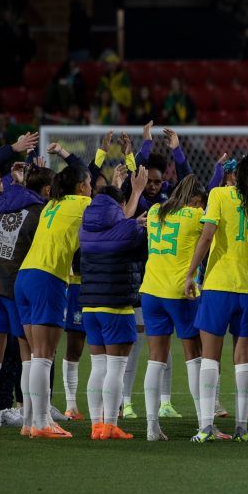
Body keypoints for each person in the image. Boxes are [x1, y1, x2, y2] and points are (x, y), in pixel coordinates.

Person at [183, 153, 248, 443]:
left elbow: (206, 236)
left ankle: (206, 426)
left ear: (235, 174)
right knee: (243, 359)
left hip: (219, 285)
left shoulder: (219, 195)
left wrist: (190, 273)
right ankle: (242, 428)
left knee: (210, 357)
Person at [15, 161, 95, 437]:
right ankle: (41, 423)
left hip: (24, 276)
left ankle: (29, 422)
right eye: (89, 183)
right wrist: (135, 193)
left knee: (32, 358)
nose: (92, 188)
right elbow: (115, 221)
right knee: (43, 357)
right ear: (80, 186)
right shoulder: (82, 204)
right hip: (47, 278)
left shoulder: (51, 204)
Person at [0, 159, 53, 435]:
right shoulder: (39, 213)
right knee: (29, 357)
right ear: (45, 191)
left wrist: (17, 181)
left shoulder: (3, 204)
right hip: (16, 288)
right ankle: (29, 422)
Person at [79, 175, 147, 440]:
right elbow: (141, 251)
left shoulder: (86, 228)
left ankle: (96, 426)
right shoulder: (128, 228)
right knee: (116, 368)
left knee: (98, 367)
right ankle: (111, 425)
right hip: (116, 306)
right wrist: (138, 225)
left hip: (90, 307)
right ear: (120, 205)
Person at [139, 175, 207, 441]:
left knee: (156, 358)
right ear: (194, 200)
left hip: (151, 291)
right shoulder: (194, 215)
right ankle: (204, 423)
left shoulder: (156, 210)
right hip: (181, 292)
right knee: (194, 355)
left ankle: (151, 427)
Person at [96, 51, 132, 116]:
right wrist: (103, 95)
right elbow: (100, 90)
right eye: (108, 64)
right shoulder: (104, 77)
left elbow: (126, 91)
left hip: (118, 101)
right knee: (95, 103)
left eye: (111, 63)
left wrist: (112, 96)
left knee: (113, 104)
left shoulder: (123, 75)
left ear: (115, 63)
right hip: (105, 100)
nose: (109, 65)